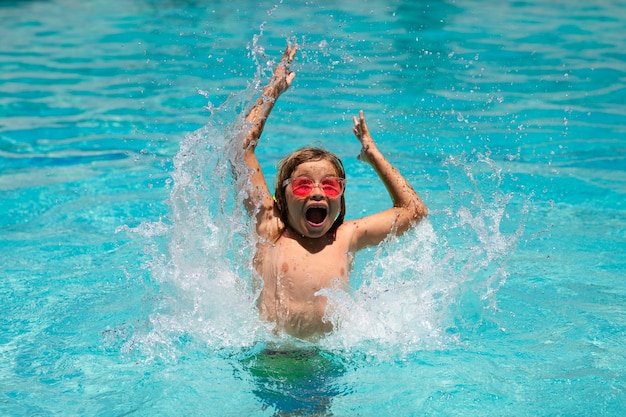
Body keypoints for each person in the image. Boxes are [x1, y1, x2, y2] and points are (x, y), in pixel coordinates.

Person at [238, 44, 427, 340]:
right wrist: (273, 91)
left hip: (327, 365)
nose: (317, 193)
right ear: (283, 196)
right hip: (270, 357)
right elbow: (241, 146)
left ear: (341, 196)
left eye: (330, 185)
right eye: (302, 185)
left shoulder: (347, 236)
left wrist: (373, 154)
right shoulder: (270, 228)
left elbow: (414, 212)